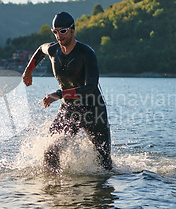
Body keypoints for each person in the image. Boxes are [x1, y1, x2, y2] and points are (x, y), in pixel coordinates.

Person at [22, 11, 113, 172]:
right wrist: (28, 70)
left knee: (104, 164)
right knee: (50, 152)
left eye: (62, 31)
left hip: (93, 110)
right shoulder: (53, 50)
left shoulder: (86, 53)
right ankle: (55, 190)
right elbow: (40, 49)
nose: (59, 35)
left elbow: (91, 86)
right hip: (69, 109)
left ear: (72, 30)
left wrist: (60, 94)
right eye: (55, 31)